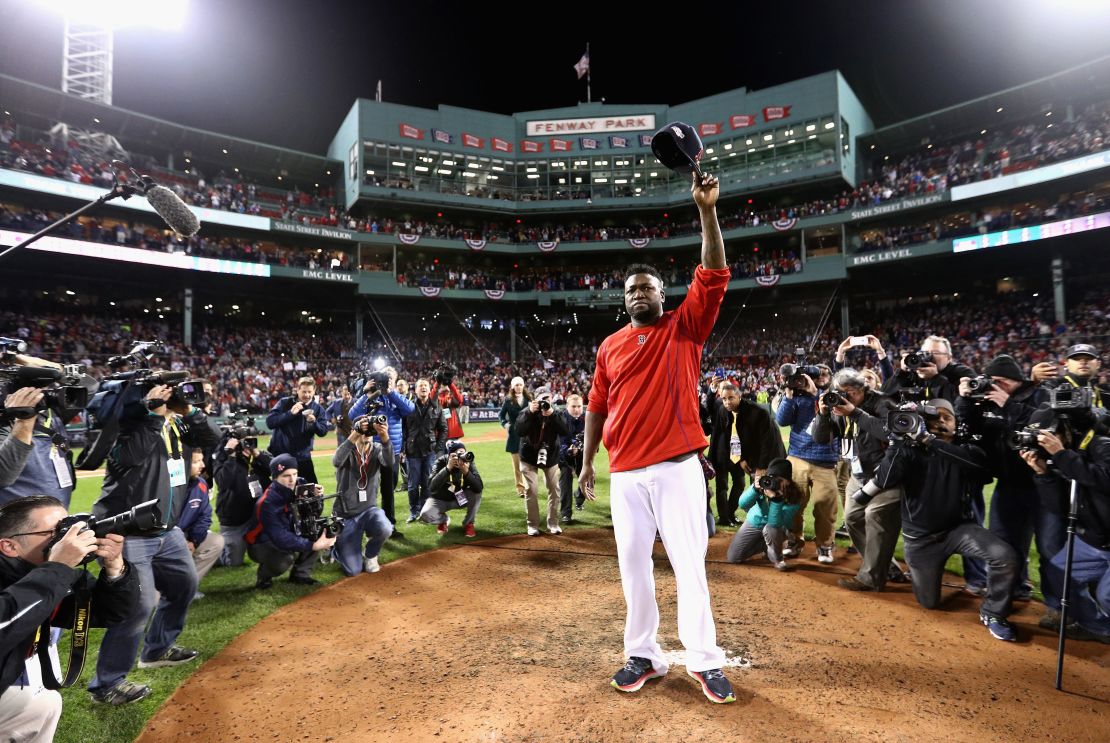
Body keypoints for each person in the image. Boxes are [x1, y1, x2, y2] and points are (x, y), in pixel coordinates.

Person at [580, 172, 735, 704]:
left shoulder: (685, 326)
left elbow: (713, 271)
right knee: (633, 569)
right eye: (630, 290)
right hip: (623, 472)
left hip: (675, 466)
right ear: (622, 300)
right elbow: (597, 407)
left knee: (689, 564)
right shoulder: (609, 346)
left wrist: (706, 211)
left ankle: (705, 659)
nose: (638, 293)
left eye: (646, 287)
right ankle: (643, 654)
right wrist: (585, 465)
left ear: (662, 294)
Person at [87, 383, 219, 705]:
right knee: (137, 606)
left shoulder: (179, 426)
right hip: (129, 531)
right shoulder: (129, 425)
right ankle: (107, 683)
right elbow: (129, 457)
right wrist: (152, 415)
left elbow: (212, 437)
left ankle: (157, 649)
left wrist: (188, 410)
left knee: (184, 586)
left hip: (167, 530)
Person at [856, 398, 1020, 642]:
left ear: (956, 423)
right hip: (921, 540)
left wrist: (928, 441)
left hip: (959, 530)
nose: (942, 422)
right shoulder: (910, 452)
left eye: (948, 417)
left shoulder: (969, 450)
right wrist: (897, 443)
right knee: (929, 603)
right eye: (935, 418)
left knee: (1004, 557)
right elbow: (886, 478)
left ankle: (994, 612)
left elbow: (979, 469)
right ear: (925, 423)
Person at [0, 496, 139, 725]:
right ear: (10, 546)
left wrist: (115, 568)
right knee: (38, 705)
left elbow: (110, 612)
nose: (69, 538)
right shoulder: (54, 571)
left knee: (45, 704)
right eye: (56, 532)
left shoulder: (50, 571)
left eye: (70, 526)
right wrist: (57, 569)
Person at [1021, 406, 1110, 643]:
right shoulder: (1063, 454)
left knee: (1107, 595)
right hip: (1094, 541)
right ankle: (1100, 628)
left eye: (1049, 434)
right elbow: (1059, 508)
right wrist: (1043, 475)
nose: (1045, 442)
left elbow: (1105, 479)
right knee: (1059, 573)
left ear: (1066, 428)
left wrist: (1061, 456)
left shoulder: (1101, 445)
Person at [812, 368, 899, 584]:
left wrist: (855, 413)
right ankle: (887, 567)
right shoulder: (838, 408)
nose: (843, 397)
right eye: (839, 392)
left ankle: (870, 578)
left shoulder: (882, 403)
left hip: (884, 476)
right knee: (852, 520)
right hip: (858, 474)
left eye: (848, 392)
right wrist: (823, 414)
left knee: (875, 518)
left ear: (862, 389)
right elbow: (820, 438)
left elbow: (890, 432)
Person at [775, 366, 839, 561]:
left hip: (825, 461)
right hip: (798, 457)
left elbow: (835, 416)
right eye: (815, 374)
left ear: (831, 378)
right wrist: (788, 394)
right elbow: (782, 420)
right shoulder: (797, 397)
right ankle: (794, 541)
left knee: (824, 507)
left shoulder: (835, 395)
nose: (819, 377)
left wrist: (815, 394)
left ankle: (825, 546)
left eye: (824, 374)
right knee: (793, 505)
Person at [244, 454, 337, 588]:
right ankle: (264, 576)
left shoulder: (301, 484)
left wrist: (316, 498)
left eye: (294, 473)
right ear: (275, 478)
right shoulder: (268, 502)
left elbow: (314, 513)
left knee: (316, 529)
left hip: (288, 529)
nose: (292, 479)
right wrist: (313, 546)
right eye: (286, 476)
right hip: (262, 543)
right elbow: (280, 537)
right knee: (284, 560)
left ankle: (300, 574)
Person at [708, 381, 781, 527]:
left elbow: (766, 442)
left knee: (751, 486)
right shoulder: (723, 410)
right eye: (724, 399)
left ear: (739, 396)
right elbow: (732, 437)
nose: (727, 402)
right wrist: (741, 458)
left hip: (757, 456)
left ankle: (772, 523)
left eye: (730, 398)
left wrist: (761, 466)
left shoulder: (757, 413)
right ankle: (728, 517)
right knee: (728, 487)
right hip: (730, 456)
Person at [350, 367, 414, 528]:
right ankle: (365, 523)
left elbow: (410, 409)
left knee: (388, 490)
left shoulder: (396, 397)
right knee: (367, 489)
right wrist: (366, 393)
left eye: (390, 378)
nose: (386, 381)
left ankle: (388, 525)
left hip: (391, 450)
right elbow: (352, 415)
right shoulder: (370, 396)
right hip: (370, 450)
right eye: (384, 378)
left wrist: (391, 392)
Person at [331, 416, 394, 575]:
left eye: (369, 429)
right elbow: (337, 461)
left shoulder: (378, 448)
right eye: (363, 429)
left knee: (386, 527)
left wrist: (385, 436)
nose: (367, 433)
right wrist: (356, 433)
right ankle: (334, 547)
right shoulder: (348, 449)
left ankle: (371, 555)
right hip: (346, 515)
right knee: (353, 570)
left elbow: (389, 462)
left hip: (368, 510)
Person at [725, 459, 801, 570]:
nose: (774, 482)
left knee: (769, 533)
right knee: (734, 557)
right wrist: (754, 490)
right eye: (772, 478)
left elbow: (774, 524)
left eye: (779, 479)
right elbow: (742, 504)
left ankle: (779, 560)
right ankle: (767, 546)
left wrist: (776, 500)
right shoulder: (764, 485)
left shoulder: (794, 496)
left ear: (788, 481)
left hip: (777, 529)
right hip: (755, 522)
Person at [517, 386, 570, 536]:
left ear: (552, 398)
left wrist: (553, 415)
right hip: (528, 457)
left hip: (551, 456)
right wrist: (528, 412)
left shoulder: (557, 413)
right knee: (531, 490)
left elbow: (565, 431)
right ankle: (532, 525)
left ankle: (553, 523)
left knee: (554, 489)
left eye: (548, 398)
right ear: (535, 400)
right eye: (542, 400)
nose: (545, 402)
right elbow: (519, 431)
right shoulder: (527, 412)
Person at [213, 431, 272, 567]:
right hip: (235, 520)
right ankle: (214, 547)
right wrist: (231, 456)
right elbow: (224, 482)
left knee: (268, 551)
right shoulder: (223, 459)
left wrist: (258, 455)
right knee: (233, 562)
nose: (247, 446)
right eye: (244, 443)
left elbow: (276, 471)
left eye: (250, 442)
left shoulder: (257, 457)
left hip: (257, 517)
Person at [177, 449, 225, 594]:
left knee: (216, 542)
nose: (202, 465)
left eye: (201, 460)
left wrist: (194, 540)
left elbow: (204, 516)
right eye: (196, 461)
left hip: (187, 536)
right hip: (166, 538)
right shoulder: (166, 485)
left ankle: (186, 589)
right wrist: (178, 540)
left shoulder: (201, 483)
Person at [266, 376, 328, 484]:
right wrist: (290, 414)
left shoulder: (318, 409)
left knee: (311, 493)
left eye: (309, 392)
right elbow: (270, 423)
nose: (307, 395)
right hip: (282, 457)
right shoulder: (284, 402)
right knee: (282, 493)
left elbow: (323, 431)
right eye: (304, 391)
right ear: (297, 390)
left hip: (303, 457)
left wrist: (314, 423)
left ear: (314, 391)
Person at [403, 378, 447, 523]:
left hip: (429, 451)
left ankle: (424, 511)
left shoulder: (437, 406)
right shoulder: (408, 406)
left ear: (429, 390)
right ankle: (413, 511)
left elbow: (443, 429)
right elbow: (403, 429)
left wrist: (439, 448)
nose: (423, 388)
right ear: (415, 390)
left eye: (425, 386)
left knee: (428, 485)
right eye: (420, 386)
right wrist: (403, 448)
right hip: (413, 451)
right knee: (413, 485)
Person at [420, 440, 484, 538]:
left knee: (476, 494)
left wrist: (466, 472)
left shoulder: (468, 463)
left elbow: (479, 487)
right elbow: (431, 487)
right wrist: (448, 468)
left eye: (463, 453)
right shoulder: (440, 461)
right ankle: (443, 520)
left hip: (460, 499)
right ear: (450, 455)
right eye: (457, 453)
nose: (461, 456)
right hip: (440, 499)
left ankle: (469, 523)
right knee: (425, 514)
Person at [499, 377, 529, 499]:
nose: (519, 387)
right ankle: (520, 488)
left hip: (528, 435)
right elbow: (501, 415)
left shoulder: (529, 399)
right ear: (512, 387)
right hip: (514, 436)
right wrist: (505, 424)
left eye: (520, 384)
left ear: (523, 386)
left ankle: (529, 487)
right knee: (517, 466)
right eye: (516, 385)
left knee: (527, 464)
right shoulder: (508, 400)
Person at [558, 394, 586, 523]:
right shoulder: (560, 419)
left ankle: (579, 498)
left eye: (579, 406)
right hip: (564, 456)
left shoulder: (587, 418)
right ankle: (566, 513)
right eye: (573, 406)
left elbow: (594, 441)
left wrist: (581, 448)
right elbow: (558, 441)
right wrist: (569, 450)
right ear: (567, 407)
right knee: (566, 479)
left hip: (583, 456)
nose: (577, 409)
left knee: (588, 480)